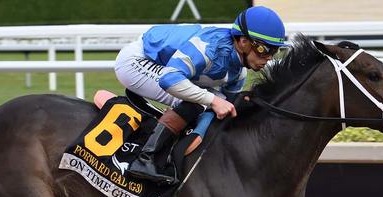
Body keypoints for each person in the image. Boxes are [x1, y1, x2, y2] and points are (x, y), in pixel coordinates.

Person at [114, 5, 288, 184]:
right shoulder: (209, 48)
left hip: (166, 67)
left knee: (215, 101)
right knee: (201, 100)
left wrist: (200, 132)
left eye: (275, 52)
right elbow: (169, 79)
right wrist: (211, 100)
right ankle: (145, 159)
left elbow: (221, 108)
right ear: (243, 42)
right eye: (264, 50)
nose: (269, 58)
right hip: (137, 62)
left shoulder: (239, 73)